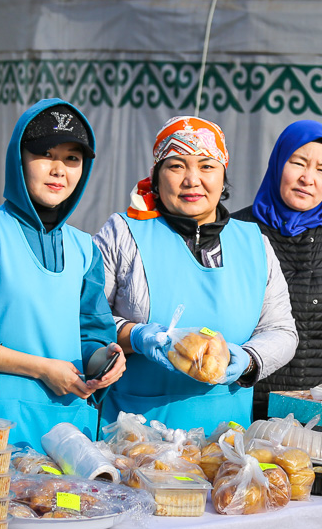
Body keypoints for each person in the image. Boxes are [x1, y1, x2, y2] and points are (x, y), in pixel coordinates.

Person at [0, 100, 125, 448]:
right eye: (45, 154)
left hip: (68, 436)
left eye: (72, 159)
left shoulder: (85, 249)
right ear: (18, 159)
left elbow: (92, 335)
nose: (59, 170)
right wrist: (43, 368)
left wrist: (106, 361)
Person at [95, 116, 297, 432]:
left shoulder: (255, 244)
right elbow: (89, 320)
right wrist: (138, 336)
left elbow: (282, 330)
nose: (192, 179)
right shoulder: (123, 233)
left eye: (206, 166)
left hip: (225, 440)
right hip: (133, 434)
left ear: (223, 176)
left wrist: (248, 360)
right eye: (176, 166)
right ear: (157, 176)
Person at [231, 120, 322, 420]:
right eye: (298, 163)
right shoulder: (237, 232)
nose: (308, 178)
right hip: (246, 405)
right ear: (277, 164)